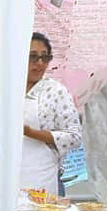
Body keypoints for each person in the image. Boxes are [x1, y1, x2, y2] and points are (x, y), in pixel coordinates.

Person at [21, 32, 82, 193]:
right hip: (6, 179)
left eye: (45, 58)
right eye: (33, 57)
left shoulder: (55, 92)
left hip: (43, 180)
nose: (40, 63)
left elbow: (74, 136)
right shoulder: (5, 90)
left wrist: (31, 133)